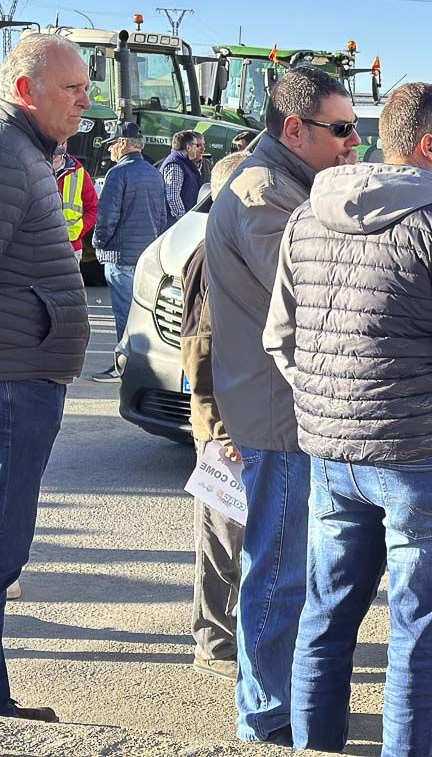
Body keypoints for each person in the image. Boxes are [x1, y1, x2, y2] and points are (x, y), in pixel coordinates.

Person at [265, 83, 432, 756]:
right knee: (420, 632)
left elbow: (280, 339)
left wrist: (331, 408)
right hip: (426, 457)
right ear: (429, 144)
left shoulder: (307, 215)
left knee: (326, 617)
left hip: (334, 454)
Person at [206, 64, 361, 745]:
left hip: (290, 410)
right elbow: (316, 295)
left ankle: (280, 701)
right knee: (278, 572)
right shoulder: (266, 193)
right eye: (342, 130)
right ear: (294, 129)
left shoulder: (291, 184)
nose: (355, 142)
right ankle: (268, 712)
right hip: (278, 415)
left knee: (290, 569)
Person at [0, 33, 91, 722]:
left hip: (25, 380)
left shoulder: (27, 154)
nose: (86, 101)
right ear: (26, 90)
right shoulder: (7, 154)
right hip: (11, 386)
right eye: (73, 89)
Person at [181, 151, 250, 683]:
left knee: (232, 534)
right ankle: (214, 640)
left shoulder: (224, 247)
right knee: (223, 536)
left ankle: (226, 636)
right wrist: (220, 429)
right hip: (226, 427)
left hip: (231, 420)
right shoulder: (214, 255)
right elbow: (200, 348)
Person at [90, 121, 167, 381]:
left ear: (123, 143)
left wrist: (98, 243)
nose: (110, 150)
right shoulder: (153, 172)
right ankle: (143, 365)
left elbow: (107, 216)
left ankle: (122, 366)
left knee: (123, 312)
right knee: (143, 312)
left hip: (120, 256)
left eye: (112, 144)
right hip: (146, 255)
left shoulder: (117, 174)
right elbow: (161, 216)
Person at [51, 144, 98, 260]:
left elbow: (94, 208)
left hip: (71, 247)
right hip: (37, 247)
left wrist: (77, 230)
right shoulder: (33, 167)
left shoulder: (79, 173)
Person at [161, 129, 206, 225]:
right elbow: (173, 197)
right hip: (174, 224)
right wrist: (184, 220)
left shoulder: (185, 163)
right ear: (188, 147)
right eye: (196, 145)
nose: (198, 149)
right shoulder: (175, 164)